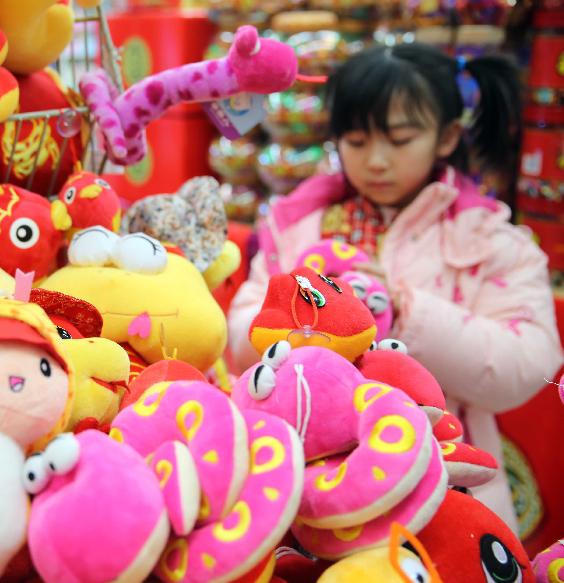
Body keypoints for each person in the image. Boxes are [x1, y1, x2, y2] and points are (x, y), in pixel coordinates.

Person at [228, 42, 564, 530]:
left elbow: (529, 365)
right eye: (357, 142)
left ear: (447, 136)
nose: (377, 162)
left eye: (400, 140)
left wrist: (406, 309)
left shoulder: (491, 240)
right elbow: (240, 337)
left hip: (444, 475)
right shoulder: (297, 225)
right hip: (305, 475)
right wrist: (302, 323)